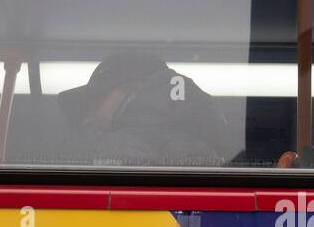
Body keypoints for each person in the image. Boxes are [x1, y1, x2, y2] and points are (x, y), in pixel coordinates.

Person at [58, 47, 230, 166]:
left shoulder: (118, 146)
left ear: (132, 91)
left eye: (96, 100)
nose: (87, 118)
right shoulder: (206, 144)